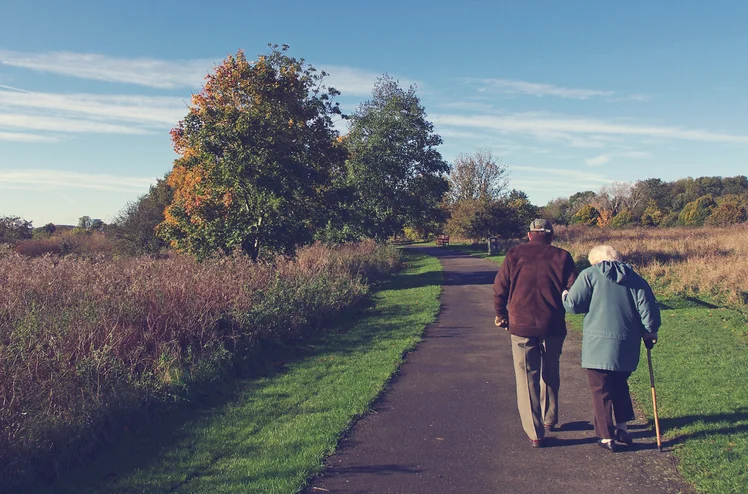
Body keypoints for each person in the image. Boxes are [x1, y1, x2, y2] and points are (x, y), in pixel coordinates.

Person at [562, 245, 660, 452]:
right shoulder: (635, 278)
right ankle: (623, 428)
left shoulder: (589, 275)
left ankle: (606, 436)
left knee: (601, 389)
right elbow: (648, 309)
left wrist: (564, 294)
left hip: (598, 345)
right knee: (620, 384)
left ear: (595, 261)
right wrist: (650, 332)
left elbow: (573, 305)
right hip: (627, 344)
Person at [493, 218, 578, 448]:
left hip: (520, 325)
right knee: (550, 371)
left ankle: (535, 432)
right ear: (551, 235)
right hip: (552, 324)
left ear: (530, 235)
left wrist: (501, 314)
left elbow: (500, 288)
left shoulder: (513, 254)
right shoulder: (563, 256)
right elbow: (573, 289)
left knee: (526, 377)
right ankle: (549, 418)